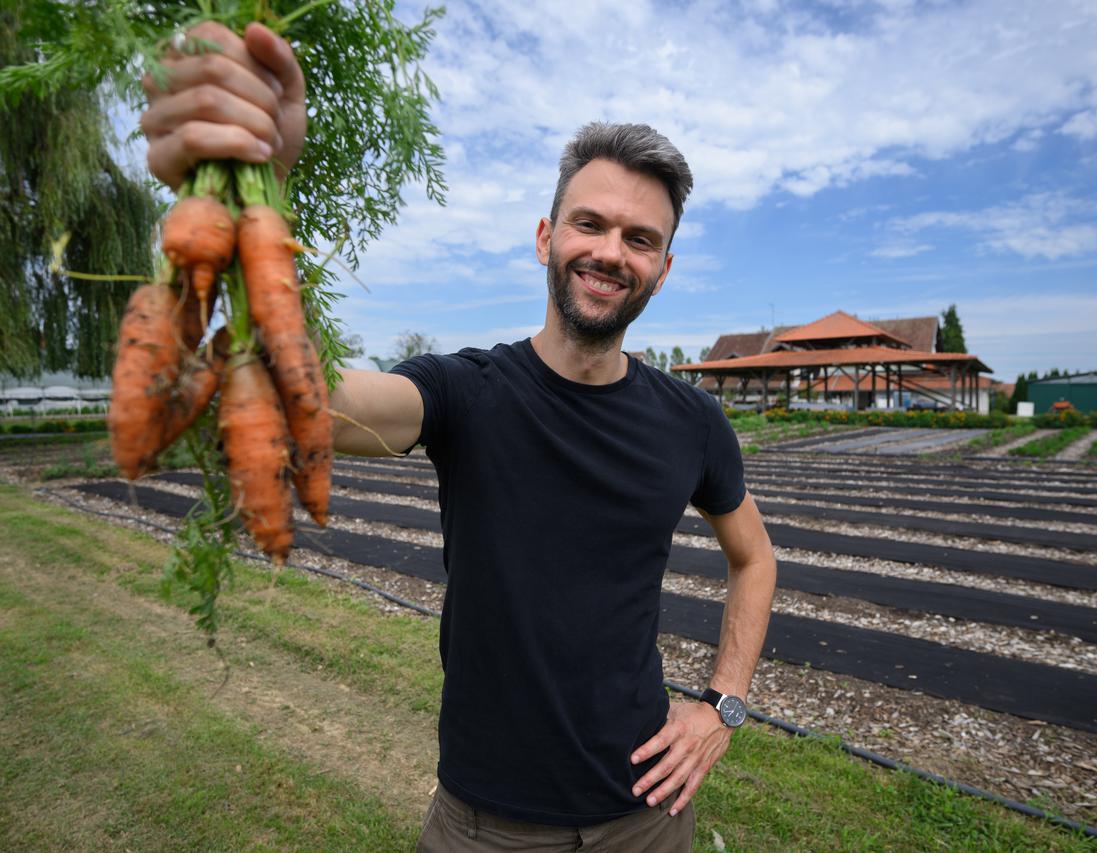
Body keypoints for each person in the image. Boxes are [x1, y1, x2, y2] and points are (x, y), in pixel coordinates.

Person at [142, 22, 777, 852]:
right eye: (590, 224)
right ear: (546, 238)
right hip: (487, 827)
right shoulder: (465, 392)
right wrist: (259, 187)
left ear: (664, 267)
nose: (611, 252)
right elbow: (305, 399)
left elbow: (755, 556)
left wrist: (723, 704)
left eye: (640, 238)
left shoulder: (691, 420)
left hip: (647, 819)